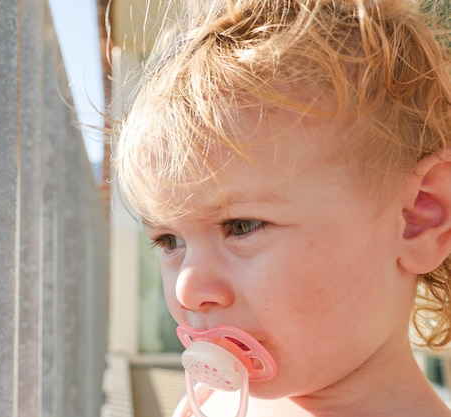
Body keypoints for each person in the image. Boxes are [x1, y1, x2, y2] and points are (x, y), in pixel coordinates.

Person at [113, 0, 451, 416]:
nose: (187, 289)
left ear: (419, 217)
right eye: (169, 240)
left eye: (240, 226)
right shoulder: (208, 403)